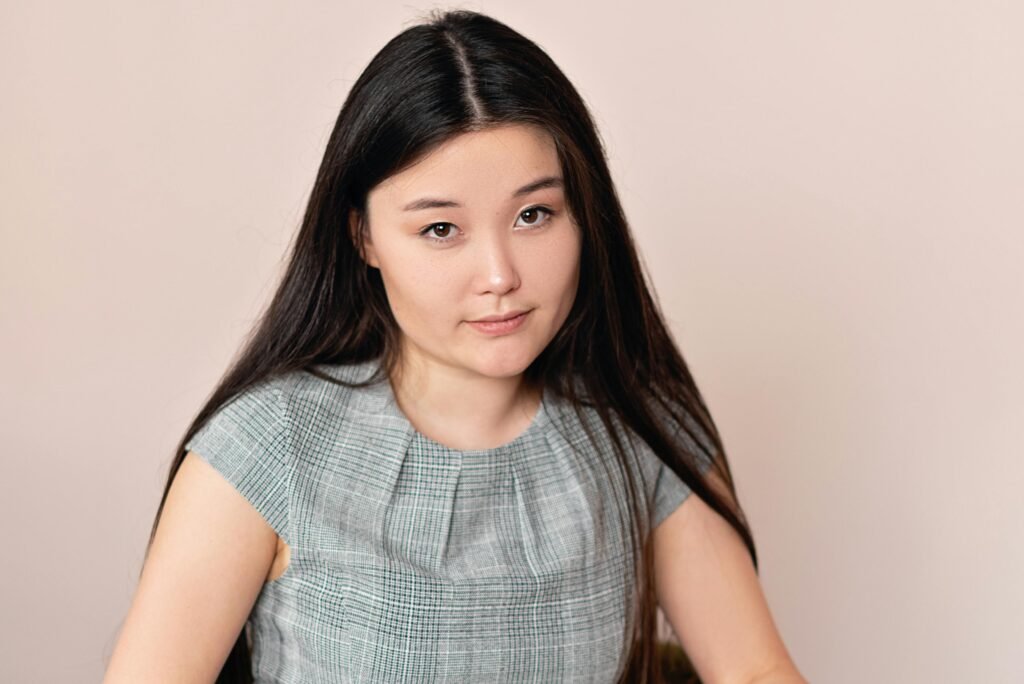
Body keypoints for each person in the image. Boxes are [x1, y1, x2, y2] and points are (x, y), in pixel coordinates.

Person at [104, 9, 805, 684]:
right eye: (441, 229)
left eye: (534, 215)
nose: (500, 276)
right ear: (364, 237)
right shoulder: (268, 447)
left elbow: (753, 668)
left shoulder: (639, 426)